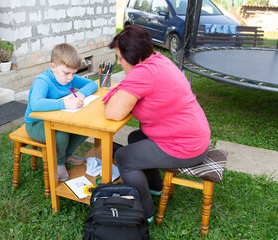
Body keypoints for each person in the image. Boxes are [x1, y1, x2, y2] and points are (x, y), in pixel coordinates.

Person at [102, 25, 211, 222]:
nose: (119, 63)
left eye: (120, 58)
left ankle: (146, 211)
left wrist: (117, 95)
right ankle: (155, 186)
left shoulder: (143, 73)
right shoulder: (159, 60)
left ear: (134, 55)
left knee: (123, 157)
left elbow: (113, 112)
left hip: (186, 147)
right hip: (195, 137)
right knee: (135, 137)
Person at [24, 43, 98, 181]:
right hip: (36, 124)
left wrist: (81, 94)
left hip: (58, 119)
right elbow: (36, 104)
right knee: (62, 132)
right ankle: (59, 163)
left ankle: (66, 155)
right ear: (53, 67)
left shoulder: (68, 77)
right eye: (67, 73)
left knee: (86, 126)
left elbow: (92, 84)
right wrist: (64, 103)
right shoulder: (43, 80)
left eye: (74, 73)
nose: (70, 78)